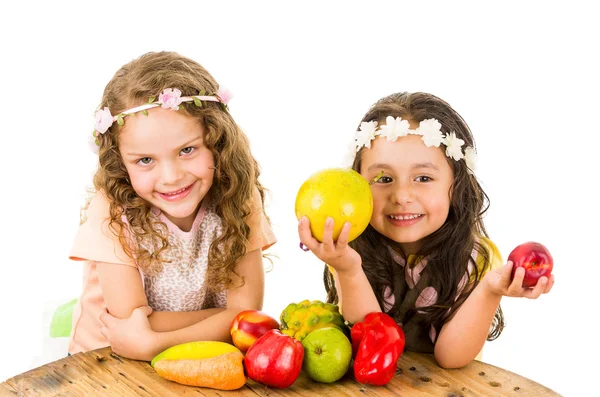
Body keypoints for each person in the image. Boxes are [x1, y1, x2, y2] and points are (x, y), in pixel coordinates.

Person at [298, 92, 554, 368]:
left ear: (456, 186)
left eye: (423, 178)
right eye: (383, 178)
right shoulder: (349, 247)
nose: (402, 195)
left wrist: (489, 291)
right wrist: (348, 270)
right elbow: (372, 342)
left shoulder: (475, 257)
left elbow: (451, 358)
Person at [69, 51, 276, 361]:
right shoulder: (110, 211)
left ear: (216, 140)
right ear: (121, 163)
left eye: (187, 150)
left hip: (197, 355)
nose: (171, 177)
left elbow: (246, 313)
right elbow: (132, 326)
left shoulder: (238, 195)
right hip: (107, 362)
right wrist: (227, 317)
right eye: (145, 160)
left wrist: (155, 342)